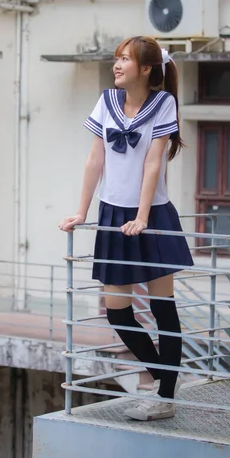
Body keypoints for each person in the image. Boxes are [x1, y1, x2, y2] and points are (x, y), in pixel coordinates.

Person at [59, 36, 193, 421]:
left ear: (146, 69)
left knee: (162, 307)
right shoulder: (106, 101)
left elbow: (154, 163)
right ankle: (165, 379)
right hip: (113, 216)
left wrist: (144, 215)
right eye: (116, 58)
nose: (116, 65)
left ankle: (164, 395)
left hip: (151, 214)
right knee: (117, 312)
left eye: (125, 59)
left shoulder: (164, 103)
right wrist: (82, 212)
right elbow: (94, 160)